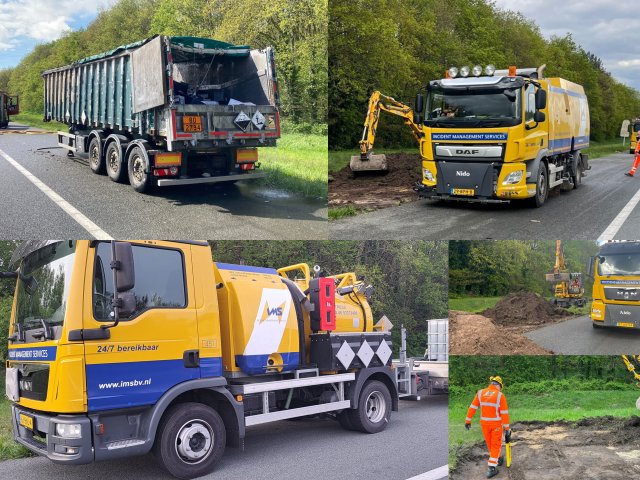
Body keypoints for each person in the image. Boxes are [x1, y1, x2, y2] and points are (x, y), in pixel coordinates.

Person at [465, 376, 511, 478]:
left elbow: (473, 407)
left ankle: (498, 458)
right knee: (496, 444)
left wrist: (468, 420)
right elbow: (504, 413)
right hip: (496, 425)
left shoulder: (480, 393)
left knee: (490, 444)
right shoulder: (500, 395)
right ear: (499, 385)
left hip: (484, 424)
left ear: (491, 383)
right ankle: (491, 468)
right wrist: (507, 429)